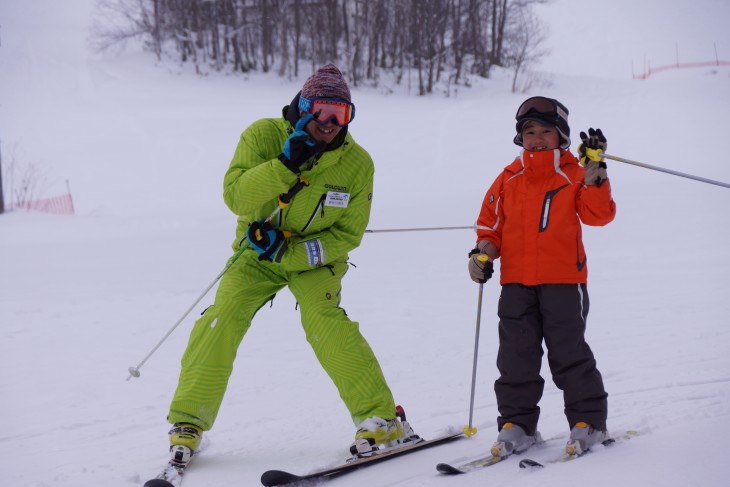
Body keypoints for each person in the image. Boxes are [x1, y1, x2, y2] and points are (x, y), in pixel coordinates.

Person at [165, 64, 419, 465]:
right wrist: (284, 166)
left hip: (315, 259)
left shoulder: (357, 164)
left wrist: (292, 253)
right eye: (323, 111)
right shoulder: (263, 135)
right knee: (222, 317)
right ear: (303, 108)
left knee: (324, 320)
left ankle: (381, 418)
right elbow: (237, 198)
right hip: (256, 254)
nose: (332, 123)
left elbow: (348, 235)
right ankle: (188, 422)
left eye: (343, 114)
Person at [467, 96, 616, 458]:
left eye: (545, 132)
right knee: (516, 356)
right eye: (529, 131)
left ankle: (588, 421)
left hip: (563, 282)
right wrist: (482, 253)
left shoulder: (574, 173)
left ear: (561, 136)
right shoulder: (508, 178)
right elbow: (490, 226)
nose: (536, 138)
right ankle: (518, 424)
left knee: (569, 353)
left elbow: (599, 216)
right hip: (516, 284)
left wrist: (595, 177)